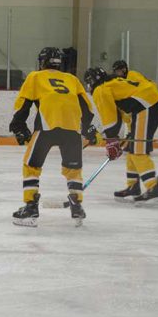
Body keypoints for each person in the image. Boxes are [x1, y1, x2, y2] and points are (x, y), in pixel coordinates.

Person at [9, 48, 96, 227]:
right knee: (73, 170)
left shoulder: (35, 77)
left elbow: (23, 104)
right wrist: (87, 130)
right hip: (72, 128)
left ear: (42, 62)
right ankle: (77, 205)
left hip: (47, 126)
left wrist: (18, 126)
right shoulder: (72, 79)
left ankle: (31, 207)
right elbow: (87, 108)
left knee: (31, 165)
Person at [84, 66, 158, 205]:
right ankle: (133, 186)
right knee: (131, 148)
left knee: (138, 151)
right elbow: (121, 115)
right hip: (147, 108)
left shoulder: (101, 90)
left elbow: (111, 120)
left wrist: (111, 142)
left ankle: (153, 188)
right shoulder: (113, 83)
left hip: (146, 109)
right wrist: (120, 137)